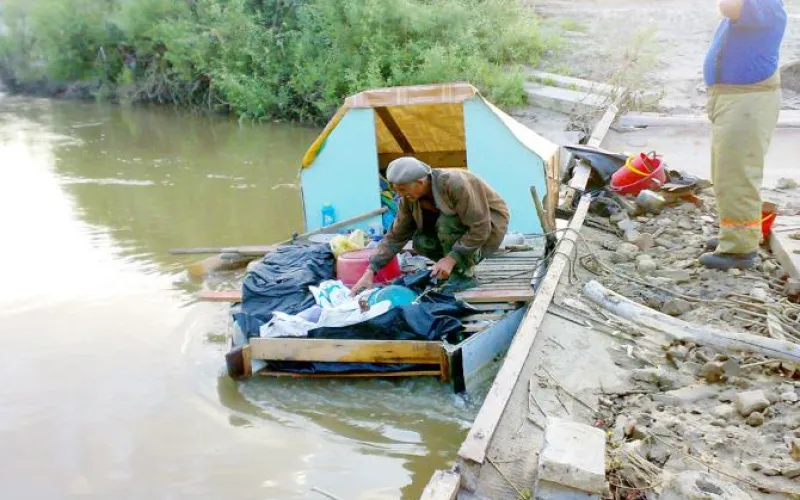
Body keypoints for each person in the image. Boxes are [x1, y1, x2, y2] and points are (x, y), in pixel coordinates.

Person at [699, 0, 787, 270]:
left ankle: (739, 249)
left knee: (738, 175)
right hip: (733, 99)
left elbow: (729, 6)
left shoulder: (767, 4)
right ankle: (734, 234)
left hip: (747, 101)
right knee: (725, 173)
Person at [351, 156, 510, 293]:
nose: (400, 195)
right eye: (397, 190)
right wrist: (371, 271)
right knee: (421, 241)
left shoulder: (455, 184)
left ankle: (464, 275)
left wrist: (451, 259)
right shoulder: (408, 199)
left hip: (489, 229)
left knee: (446, 223)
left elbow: (480, 228)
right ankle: (453, 270)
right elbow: (395, 236)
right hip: (466, 232)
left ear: (420, 182)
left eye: (403, 189)